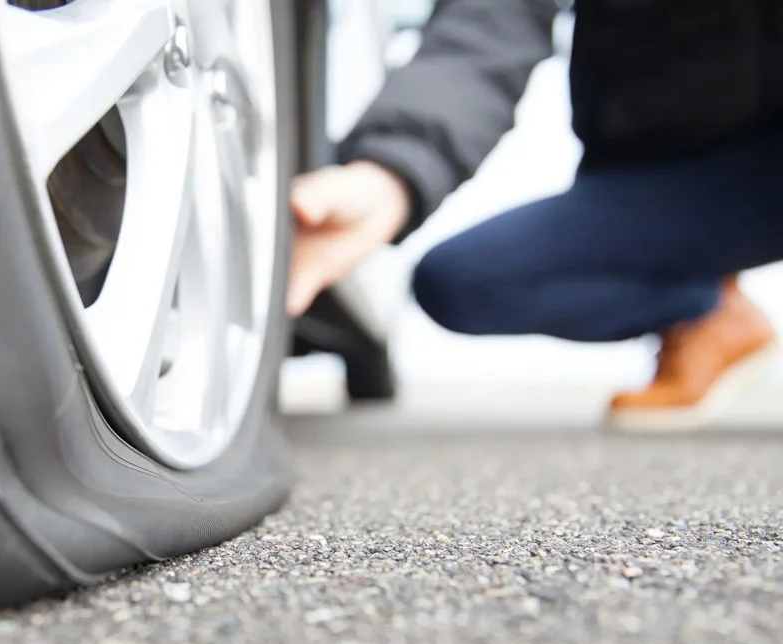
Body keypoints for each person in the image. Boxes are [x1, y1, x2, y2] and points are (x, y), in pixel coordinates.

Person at [290, 0, 782, 431]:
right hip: (657, 180)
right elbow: (487, 25)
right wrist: (392, 173)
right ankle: (711, 317)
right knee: (461, 281)